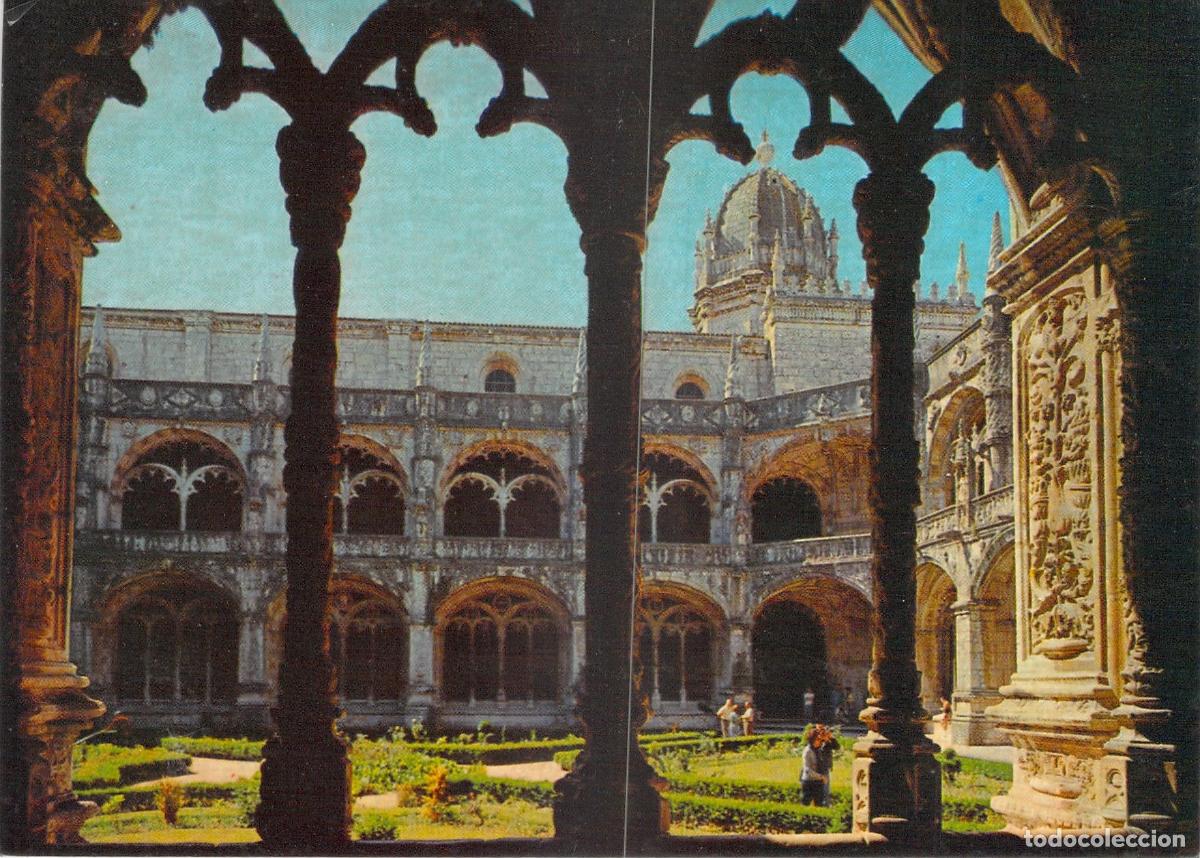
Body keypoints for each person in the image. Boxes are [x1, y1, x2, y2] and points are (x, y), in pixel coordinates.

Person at [800, 725, 831, 806]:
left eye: (820, 739)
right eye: (818, 739)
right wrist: (821, 777)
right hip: (809, 781)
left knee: (819, 804)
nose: (820, 741)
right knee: (805, 804)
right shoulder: (807, 751)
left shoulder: (820, 749)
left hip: (818, 782)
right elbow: (807, 770)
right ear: (812, 739)